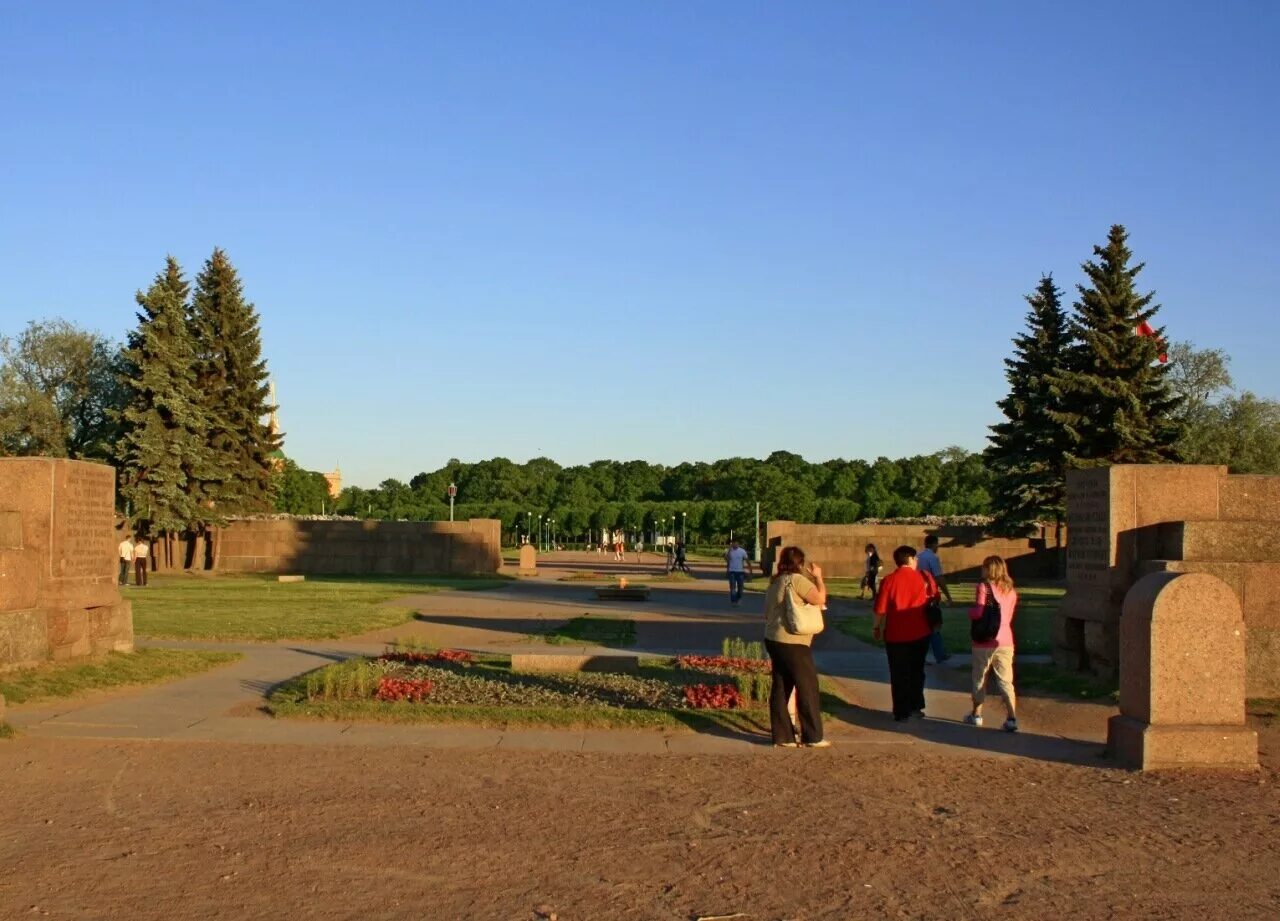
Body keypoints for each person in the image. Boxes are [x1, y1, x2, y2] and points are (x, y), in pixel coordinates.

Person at [763, 546, 829, 748]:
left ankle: (783, 736)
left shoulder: (775, 582)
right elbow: (820, 599)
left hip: (774, 638)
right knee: (807, 686)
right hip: (793, 642)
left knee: (781, 686)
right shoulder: (796, 580)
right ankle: (813, 736)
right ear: (800, 563)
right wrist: (818, 577)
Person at [872, 545, 939, 722]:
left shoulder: (889, 580)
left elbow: (880, 609)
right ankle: (915, 706)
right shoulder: (924, 577)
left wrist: (877, 627)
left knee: (898, 672)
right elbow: (934, 597)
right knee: (917, 671)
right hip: (920, 632)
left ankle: (901, 710)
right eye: (915, 558)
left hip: (895, 634)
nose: (917, 561)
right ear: (909, 559)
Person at [965, 555, 1020, 732]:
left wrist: (970, 612)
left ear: (989, 569)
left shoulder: (984, 587)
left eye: (984, 566)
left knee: (980, 677)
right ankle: (1012, 717)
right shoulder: (1011, 590)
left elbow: (979, 611)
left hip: (984, 639)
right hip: (1005, 637)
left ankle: (977, 714)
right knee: (1006, 680)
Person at [916, 535, 953, 664]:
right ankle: (939, 654)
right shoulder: (932, 558)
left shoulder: (918, 557)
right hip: (931, 596)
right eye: (937, 545)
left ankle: (926, 655)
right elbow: (939, 578)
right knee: (935, 625)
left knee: (922, 626)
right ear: (934, 544)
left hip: (919, 596)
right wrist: (948, 596)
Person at [724, 538, 752, 605]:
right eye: (734, 543)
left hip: (740, 572)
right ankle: (733, 601)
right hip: (732, 571)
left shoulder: (742, 551)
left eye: (737, 543)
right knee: (732, 587)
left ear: (738, 544)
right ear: (732, 544)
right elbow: (727, 559)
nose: (735, 544)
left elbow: (747, 560)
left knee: (740, 587)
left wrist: (750, 570)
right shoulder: (729, 551)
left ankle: (739, 599)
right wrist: (729, 551)